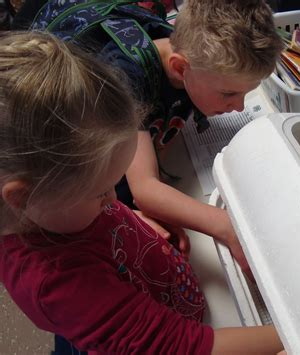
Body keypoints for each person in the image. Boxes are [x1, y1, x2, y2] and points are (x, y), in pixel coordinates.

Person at [0, 31, 283, 354]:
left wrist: (132, 220)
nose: (113, 201)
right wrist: (297, 335)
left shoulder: (56, 209)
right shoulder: (57, 285)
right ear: (24, 197)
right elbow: (180, 347)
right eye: (102, 191)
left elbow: (97, 213)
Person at [14, 0, 284, 277]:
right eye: (228, 94)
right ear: (180, 69)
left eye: (245, 93)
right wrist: (229, 227)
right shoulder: (125, 75)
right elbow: (144, 189)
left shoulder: (194, 62)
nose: (239, 107)